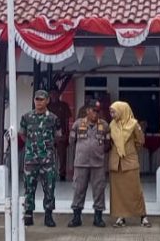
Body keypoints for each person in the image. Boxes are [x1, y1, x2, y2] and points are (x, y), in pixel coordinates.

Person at [21, 89, 61, 227]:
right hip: (31, 158)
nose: (39, 102)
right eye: (37, 99)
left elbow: (58, 136)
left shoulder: (53, 118)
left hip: (47, 160)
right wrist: (32, 146)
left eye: (41, 99)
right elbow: (23, 134)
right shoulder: (26, 117)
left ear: (47, 100)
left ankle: (48, 216)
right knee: (29, 187)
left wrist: (46, 147)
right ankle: (28, 214)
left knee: (49, 188)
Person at [68, 98, 109, 228]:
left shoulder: (104, 125)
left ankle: (98, 217)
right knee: (78, 189)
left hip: (98, 164)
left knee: (99, 190)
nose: (96, 114)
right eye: (93, 111)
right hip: (81, 163)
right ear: (87, 111)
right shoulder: (78, 124)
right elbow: (71, 141)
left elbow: (108, 144)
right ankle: (76, 216)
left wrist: (99, 150)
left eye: (98, 111)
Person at [109, 101, 150, 227]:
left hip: (129, 161)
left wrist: (129, 150)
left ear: (122, 110)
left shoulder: (134, 124)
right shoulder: (112, 125)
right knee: (118, 192)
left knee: (135, 190)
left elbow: (140, 141)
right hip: (116, 162)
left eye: (114, 111)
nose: (112, 114)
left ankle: (143, 216)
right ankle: (121, 217)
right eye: (111, 112)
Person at [47, 90, 73, 181]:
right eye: (52, 94)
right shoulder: (47, 106)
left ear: (58, 94)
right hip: (49, 134)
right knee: (47, 154)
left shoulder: (64, 105)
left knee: (62, 155)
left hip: (61, 133)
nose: (53, 95)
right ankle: (48, 173)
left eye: (55, 94)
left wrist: (66, 133)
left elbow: (67, 120)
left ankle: (62, 173)